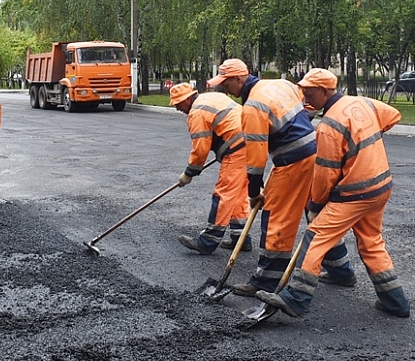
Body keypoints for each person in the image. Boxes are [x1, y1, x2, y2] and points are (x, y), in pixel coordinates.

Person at [255, 69, 410, 318]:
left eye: (310, 93)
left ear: (325, 91)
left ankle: (295, 298)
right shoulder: (361, 102)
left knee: (316, 236)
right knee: (371, 243)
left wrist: (315, 205)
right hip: (380, 186)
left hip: (354, 193)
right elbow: (393, 116)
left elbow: (325, 174)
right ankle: (396, 303)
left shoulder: (328, 127)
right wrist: (365, 141)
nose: (305, 98)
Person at [205, 59, 354, 295]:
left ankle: (266, 281)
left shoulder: (253, 105)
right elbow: (307, 106)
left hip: (293, 162)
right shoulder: (279, 84)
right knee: (315, 213)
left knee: (276, 218)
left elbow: (255, 155)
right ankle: (341, 270)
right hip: (316, 154)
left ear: (238, 79)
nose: (223, 89)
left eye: (225, 83)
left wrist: (254, 191)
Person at [168, 82, 251, 254]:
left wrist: (189, 173)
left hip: (237, 149)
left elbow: (201, 149)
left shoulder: (196, 112)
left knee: (224, 194)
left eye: (178, 104)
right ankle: (240, 238)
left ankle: (208, 241)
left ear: (187, 99)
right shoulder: (212, 97)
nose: (177, 109)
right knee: (238, 194)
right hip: (252, 144)